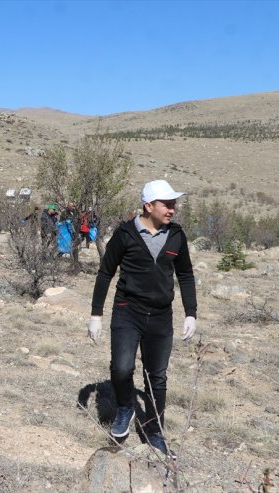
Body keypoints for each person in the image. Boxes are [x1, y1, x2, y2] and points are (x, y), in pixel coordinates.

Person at [87, 180, 197, 459]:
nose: (172, 210)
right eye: (167, 204)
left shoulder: (176, 236)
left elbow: (184, 274)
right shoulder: (125, 234)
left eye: (174, 204)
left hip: (161, 316)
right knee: (122, 368)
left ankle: (154, 431)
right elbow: (105, 273)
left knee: (156, 378)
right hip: (128, 311)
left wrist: (191, 312)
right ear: (149, 206)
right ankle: (125, 406)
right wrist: (96, 314)